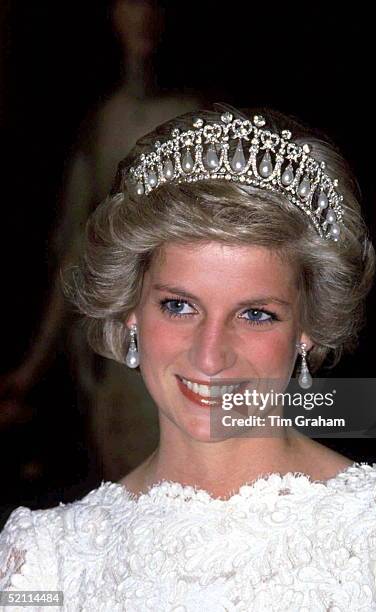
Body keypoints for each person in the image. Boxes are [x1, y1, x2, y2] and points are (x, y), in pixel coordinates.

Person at [0, 105, 376, 610]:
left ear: (307, 329)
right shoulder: (43, 563)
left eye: (256, 314)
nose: (210, 355)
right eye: (179, 306)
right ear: (132, 310)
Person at [0, 0, 204, 481]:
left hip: (182, 348)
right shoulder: (105, 122)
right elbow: (79, 253)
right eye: (131, 3)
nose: (144, 16)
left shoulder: (195, 117)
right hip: (118, 354)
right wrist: (33, 367)